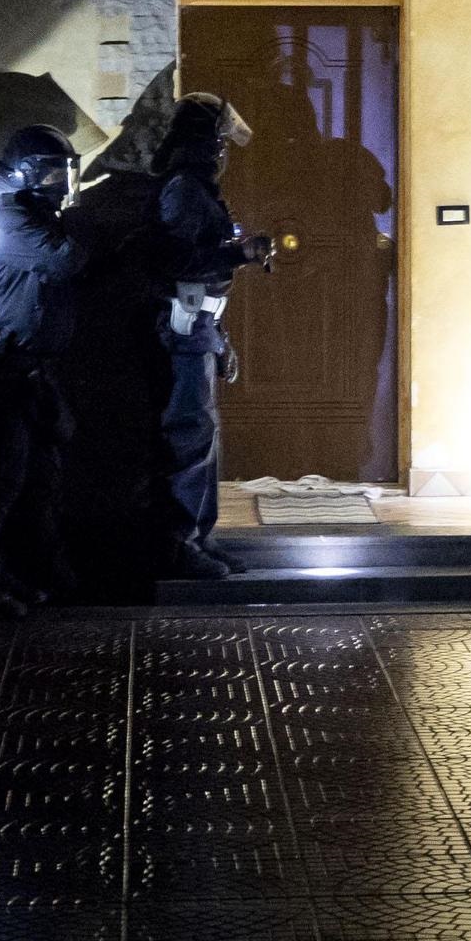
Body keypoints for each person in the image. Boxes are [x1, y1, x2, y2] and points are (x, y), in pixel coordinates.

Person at [0, 124, 90, 617]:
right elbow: (64, 260)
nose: (64, 180)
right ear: (28, 171)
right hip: (1, 368)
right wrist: (84, 225)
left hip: (30, 369)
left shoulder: (30, 212)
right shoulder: (7, 214)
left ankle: (22, 575)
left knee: (37, 481)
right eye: (56, 169)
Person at [146, 94, 276, 581]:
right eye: (219, 142)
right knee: (188, 437)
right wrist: (238, 255)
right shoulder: (183, 189)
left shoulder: (196, 188)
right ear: (202, 143)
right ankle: (181, 546)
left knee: (203, 437)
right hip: (183, 328)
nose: (223, 152)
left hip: (200, 325)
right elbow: (177, 261)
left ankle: (201, 539)